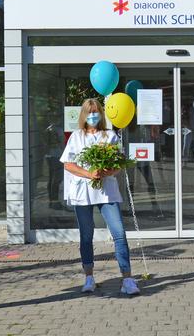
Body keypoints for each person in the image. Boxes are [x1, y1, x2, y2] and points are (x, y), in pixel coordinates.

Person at [60, 98, 140, 295]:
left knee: (119, 233)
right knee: (86, 235)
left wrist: (106, 172)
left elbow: (118, 164)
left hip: (107, 192)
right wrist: (89, 174)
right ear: (84, 115)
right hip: (82, 193)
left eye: (96, 112)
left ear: (101, 114)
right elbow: (67, 164)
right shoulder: (76, 137)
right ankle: (89, 277)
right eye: (89, 112)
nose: (93, 115)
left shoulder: (110, 136)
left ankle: (127, 279)